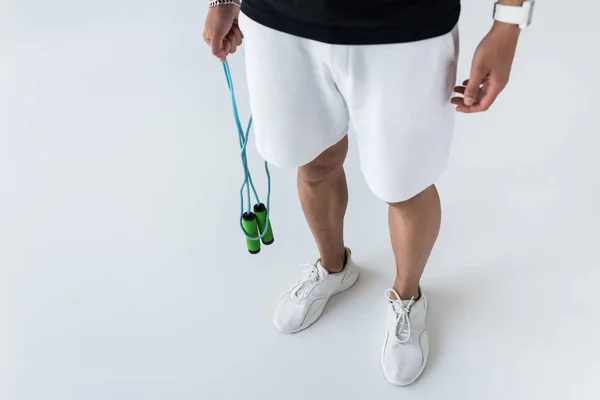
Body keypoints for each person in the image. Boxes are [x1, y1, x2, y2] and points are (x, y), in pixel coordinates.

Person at [204, 0, 532, 386]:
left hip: (404, 26)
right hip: (278, 18)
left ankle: (407, 297)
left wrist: (508, 23)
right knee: (310, 161)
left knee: (405, 185)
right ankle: (333, 268)